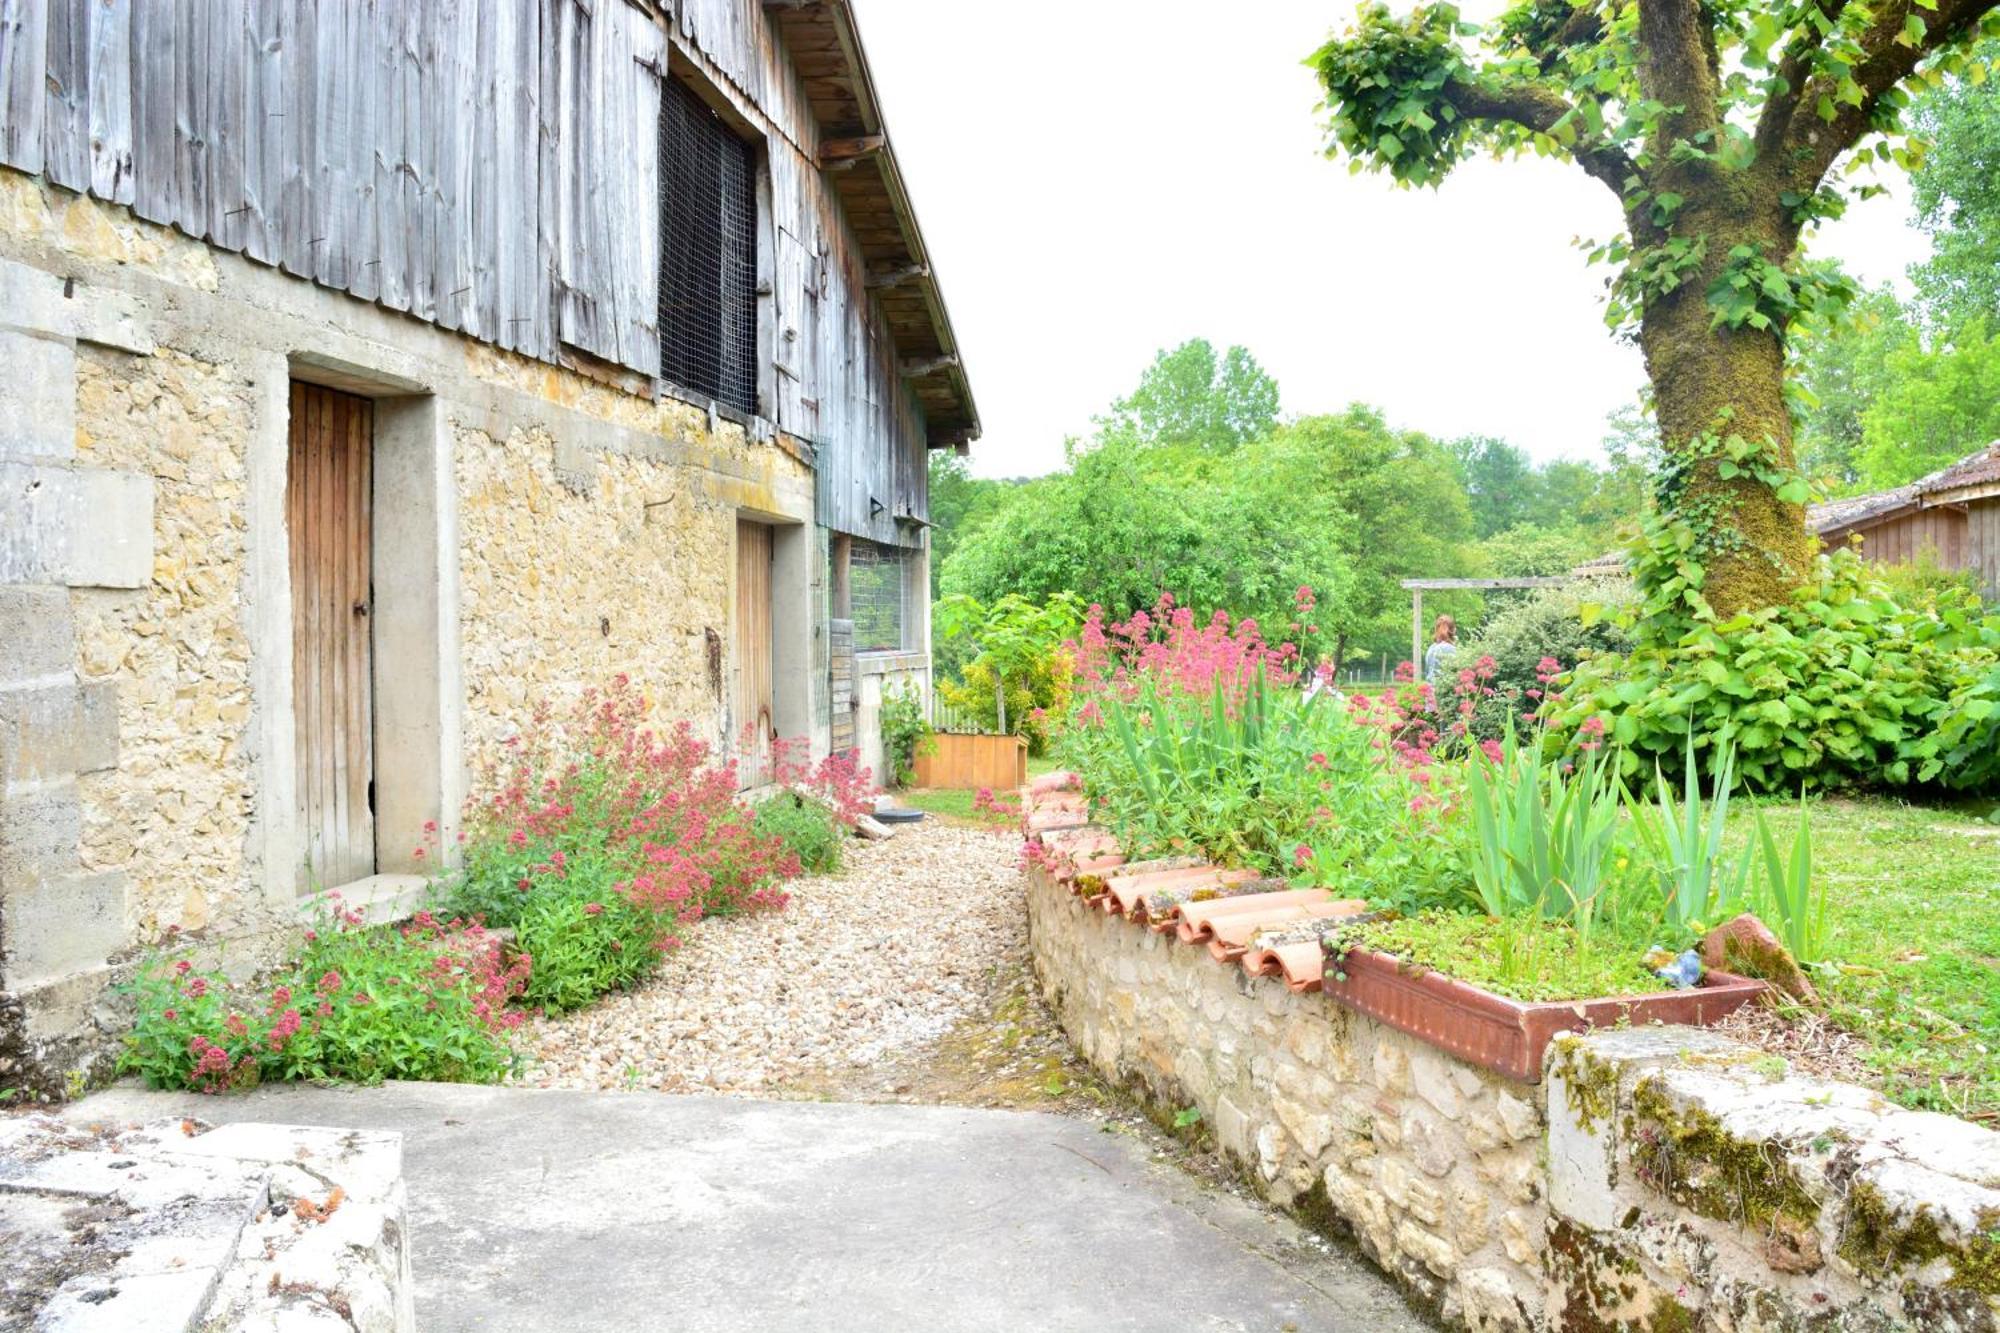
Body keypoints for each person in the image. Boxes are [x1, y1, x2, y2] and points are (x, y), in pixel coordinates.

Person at [1423, 615, 1458, 683]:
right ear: (1453, 630)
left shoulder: (1431, 648)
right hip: (1442, 689)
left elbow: (1427, 671)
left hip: (1429, 689)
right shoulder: (1451, 649)